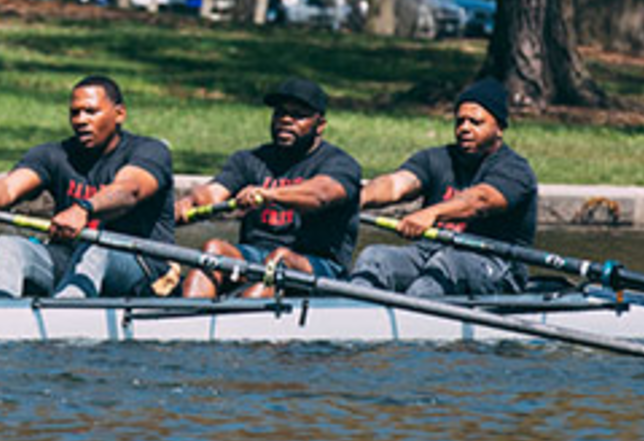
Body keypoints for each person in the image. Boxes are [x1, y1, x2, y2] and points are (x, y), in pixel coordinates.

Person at [0, 75, 175, 298]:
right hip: (69, 260)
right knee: (8, 246)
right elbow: (8, 187)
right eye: (75, 113)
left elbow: (129, 190)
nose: (81, 120)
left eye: (91, 111)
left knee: (96, 246)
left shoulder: (150, 152)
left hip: (139, 268)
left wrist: (84, 209)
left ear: (119, 114)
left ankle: (64, 315)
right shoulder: (54, 154)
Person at [347, 77, 537, 298]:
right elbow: (396, 183)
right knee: (375, 257)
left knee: (446, 265)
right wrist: (356, 199)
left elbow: (481, 200)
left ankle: (411, 312)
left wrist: (431, 213)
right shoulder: (436, 159)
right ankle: (353, 310)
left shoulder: (515, 169)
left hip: (495, 263)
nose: (465, 128)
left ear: (499, 128)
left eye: (475, 122)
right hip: (429, 252)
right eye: (460, 121)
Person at [173, 78, 361, 299]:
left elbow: (321, 194)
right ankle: (188, 317)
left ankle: (238, 316)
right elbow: (213, 193)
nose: (286, 120)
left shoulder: (340, 164)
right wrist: (189, 203)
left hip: (319, 266)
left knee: (280, 259)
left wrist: (268, 194)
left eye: (298, 115)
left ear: (320, 125)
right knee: (213, 250)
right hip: (256, 255)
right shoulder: (250, 160)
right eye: (280, 113)